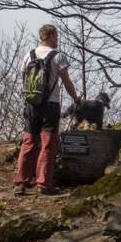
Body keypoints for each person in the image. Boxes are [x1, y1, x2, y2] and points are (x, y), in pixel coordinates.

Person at [13, 24, 82, 195]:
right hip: (50, 106)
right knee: (47, 145)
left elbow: (24, 79)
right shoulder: (58, 57)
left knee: (28, 142)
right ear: (51, 36)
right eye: (56, 36)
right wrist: (76, 100)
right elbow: (66, 82)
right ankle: (44, 185)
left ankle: (21, 182)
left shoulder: (29, 55)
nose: (57, 39)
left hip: (30, 105)